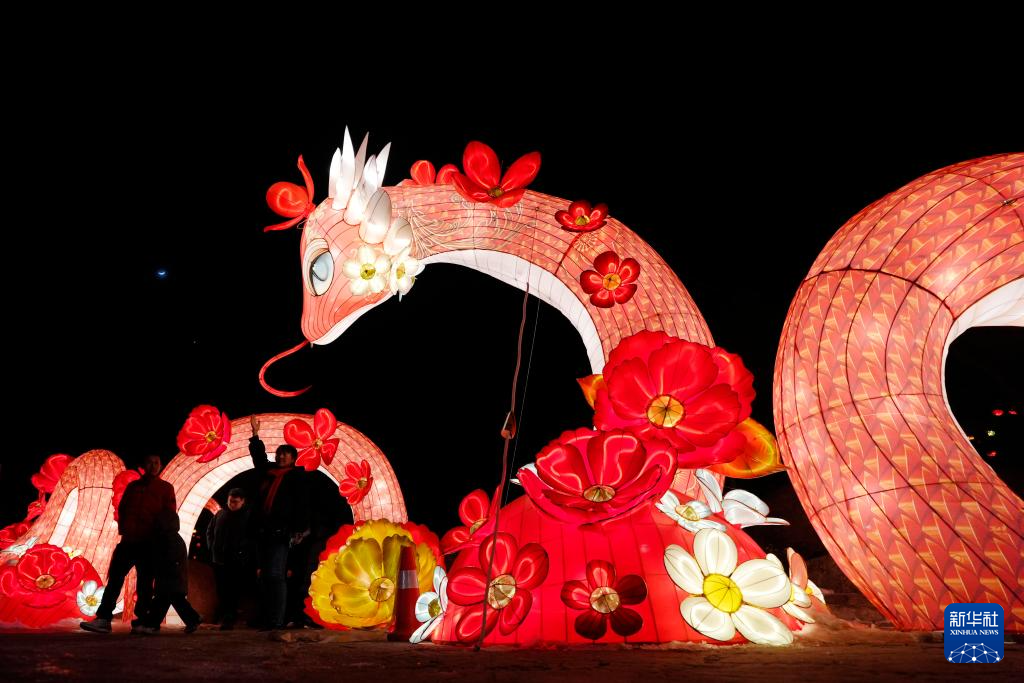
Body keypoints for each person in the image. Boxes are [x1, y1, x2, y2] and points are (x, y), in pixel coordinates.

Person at [81, 454, 174, 634]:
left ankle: (141, 621)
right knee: (115, 579)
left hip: (149, 543)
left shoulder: (165, 488)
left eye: (156, 462)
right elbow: (122, 508)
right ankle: (104, 618)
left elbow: (169, 515)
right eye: (150, 462)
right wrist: (124, 529)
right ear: (144, 464)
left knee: (145, 584)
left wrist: (160, 539)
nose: (153, 465)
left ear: (161, 465)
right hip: (128, 541)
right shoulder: (133, 487)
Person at [248, 415, 310, 630]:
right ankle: (267, 618)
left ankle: (276, 620)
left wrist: (299, 529)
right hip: (262, 531)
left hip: (281, 532)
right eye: (279, 453)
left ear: (293, 458)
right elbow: (259, 458)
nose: (282, 456)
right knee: (265, 577)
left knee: (275, 575)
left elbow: (302, 504)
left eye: (286, 454)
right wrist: (255, 435)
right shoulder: (269, 473)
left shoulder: (297, 477)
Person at [135, 507, 201, 634]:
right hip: (173, 578)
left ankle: (152, 625)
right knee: (174, 600)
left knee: (162, 601)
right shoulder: (173, 538)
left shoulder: (168, 539)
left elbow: (165, 558)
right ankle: (193, 619)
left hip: (169, 577)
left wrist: (158, 568)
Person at [206, 487, 255, 629]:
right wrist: (212, 547)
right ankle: (224, 616)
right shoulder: (220, 514)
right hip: (219, 559)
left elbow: (252, 537)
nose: (232, 504)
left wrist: (243, 552)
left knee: (233, 590)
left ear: (242, 501)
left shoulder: (247, 516)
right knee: (221, 589)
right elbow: (209, 531)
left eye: (235, 502)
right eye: (230, 501)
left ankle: (230, 618)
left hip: (236, 560)